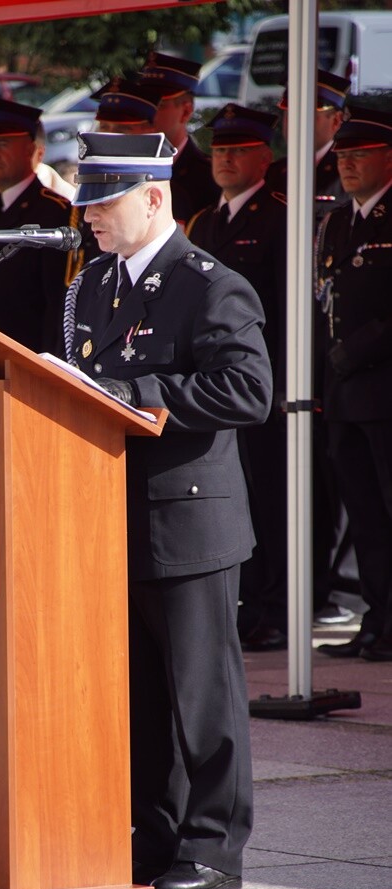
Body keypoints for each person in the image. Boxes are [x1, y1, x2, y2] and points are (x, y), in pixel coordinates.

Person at [64, 131, 272, 889]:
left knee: (201, 696)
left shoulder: (209, 284)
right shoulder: (95, 284)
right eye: (84, 202)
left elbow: (247, 393)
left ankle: (214, 848)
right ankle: (153, 838)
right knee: (142, 700)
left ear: (153, 197)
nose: (88, 215)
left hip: (188, 521)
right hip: (108, 516)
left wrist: (141, 395)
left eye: (103, 200)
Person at [187, 104, 288, 652]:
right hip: (211, 389)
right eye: (218, 150)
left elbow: (289, 310)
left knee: (272, 498)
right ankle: (249, 601)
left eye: (237, 150)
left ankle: (275, 604)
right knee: (235, 493)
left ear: (265, 158)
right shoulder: (204, 223)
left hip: (259, 387)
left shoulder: (280, 216)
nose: (223, 158)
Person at [267, 70, 353, 627]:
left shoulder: (344, 168)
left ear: (334, 117)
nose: (292, 121)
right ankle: (297, 587)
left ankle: (322, 587)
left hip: (334, 347)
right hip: (286, 346)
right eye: (286, 110)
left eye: (308, 110)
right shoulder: (276, 173)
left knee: (331, 478)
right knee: (295, 479)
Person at [315, 106, 392, 662]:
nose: (347, 166)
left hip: (385, 391)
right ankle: (376, 618)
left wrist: (356, 351)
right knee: (363, 516)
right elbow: (324, 308)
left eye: (358, 155)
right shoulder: (337, 221)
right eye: (342, 156)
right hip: (343, 396)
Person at [0, 97, 81, 356]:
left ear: (32, 150)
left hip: (24, 362)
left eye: (2, 143)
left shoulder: (55, 212)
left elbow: (57, 304)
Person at [92, 77, 192, 228]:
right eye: (104, 127)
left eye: (122, 129)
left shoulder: (167, 191)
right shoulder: (91, 185)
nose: (111, 137)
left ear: (149, 131)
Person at [139, 53, 220, 217]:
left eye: (159, 105)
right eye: (144, 104)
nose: (147, 114)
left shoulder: (209, 179)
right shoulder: (128, 170)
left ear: (186, 111)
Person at [266, 70, 351, 223]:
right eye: (290, 114)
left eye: (307, 115)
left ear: (336, 121)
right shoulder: (271, 175)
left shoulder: (348, 173)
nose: (296, 123)